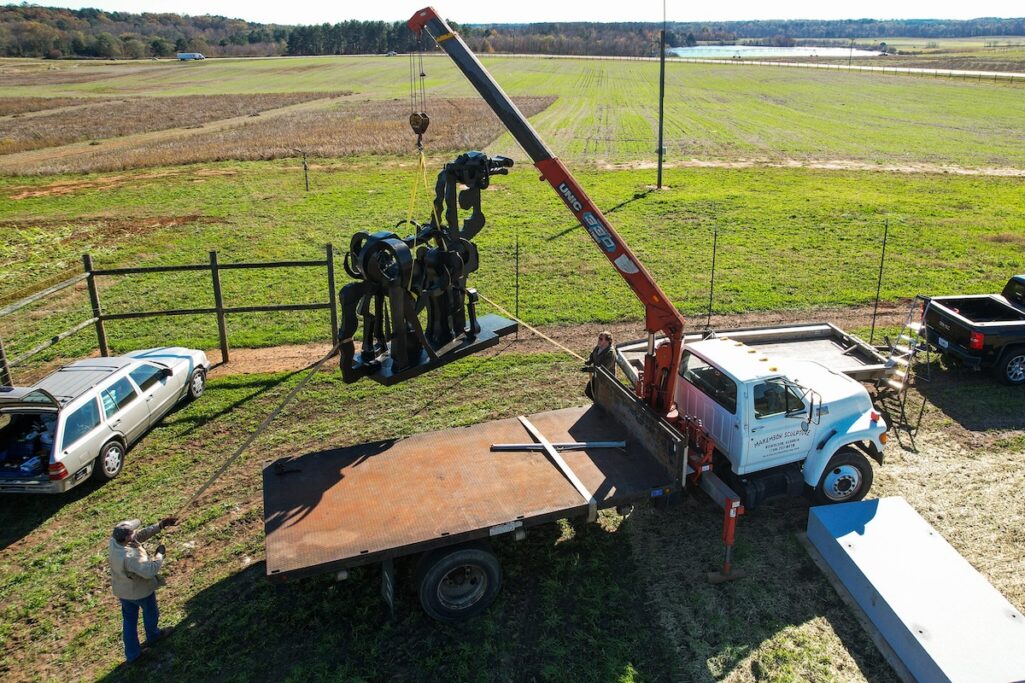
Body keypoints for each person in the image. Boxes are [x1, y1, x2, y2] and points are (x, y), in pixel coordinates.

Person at [109, 516, 177, 663]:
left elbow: (139, 536)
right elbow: (149, 571)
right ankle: (153, 635)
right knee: (151, 612)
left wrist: (160, 525)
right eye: (132, 531)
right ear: (128, 537)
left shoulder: (115, 542)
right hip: (139, 592)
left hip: (123, 591)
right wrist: (159, 555)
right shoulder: (130, 557)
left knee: (129, 621)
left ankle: (132, 654)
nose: (136, 531)